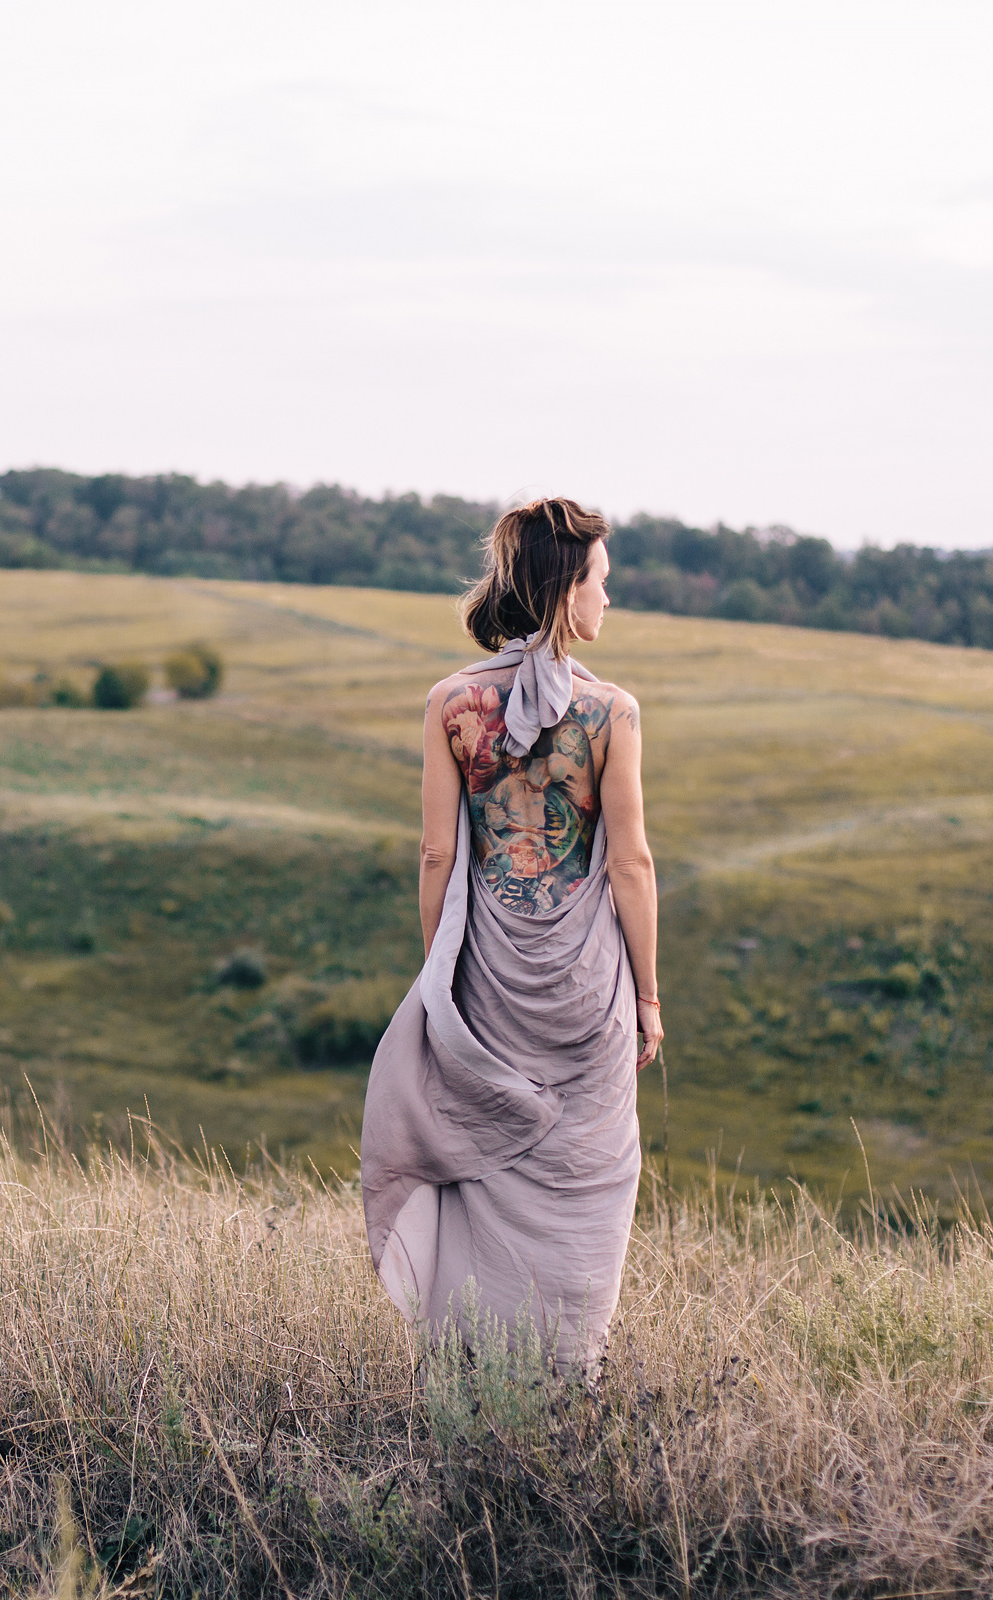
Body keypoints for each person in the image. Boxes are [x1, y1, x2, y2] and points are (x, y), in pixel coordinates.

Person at [359, 495, 660, 1372]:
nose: (611, 599)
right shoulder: (613, 714)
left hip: (486, 980)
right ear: (568, 589)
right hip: (584, 987)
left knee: (482, 1176)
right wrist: (646, 995)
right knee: (589, 1184)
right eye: (602, 582)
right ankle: (566, 1377)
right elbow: (631, 865)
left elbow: (434, 854)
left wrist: (437, 984)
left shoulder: (450, 703)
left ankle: (471, 1370)